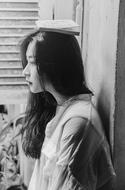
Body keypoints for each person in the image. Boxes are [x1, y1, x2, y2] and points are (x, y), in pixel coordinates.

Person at [20, 22, 115, 190]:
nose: (25, 71)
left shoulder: (78, 123)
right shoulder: (62, 110)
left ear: (56, 64)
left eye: (32, 62)